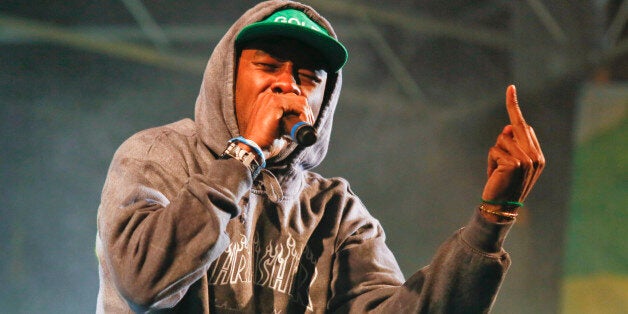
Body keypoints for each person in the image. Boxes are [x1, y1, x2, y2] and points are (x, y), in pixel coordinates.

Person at [95, 1, 545, 313]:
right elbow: (144, 281)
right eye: (268, 67)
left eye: (308, 77)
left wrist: (492, 219)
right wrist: (244, 155)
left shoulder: (335, 210)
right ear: (227, 77)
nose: (287, 85)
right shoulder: (157, 157)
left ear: (324, 101)